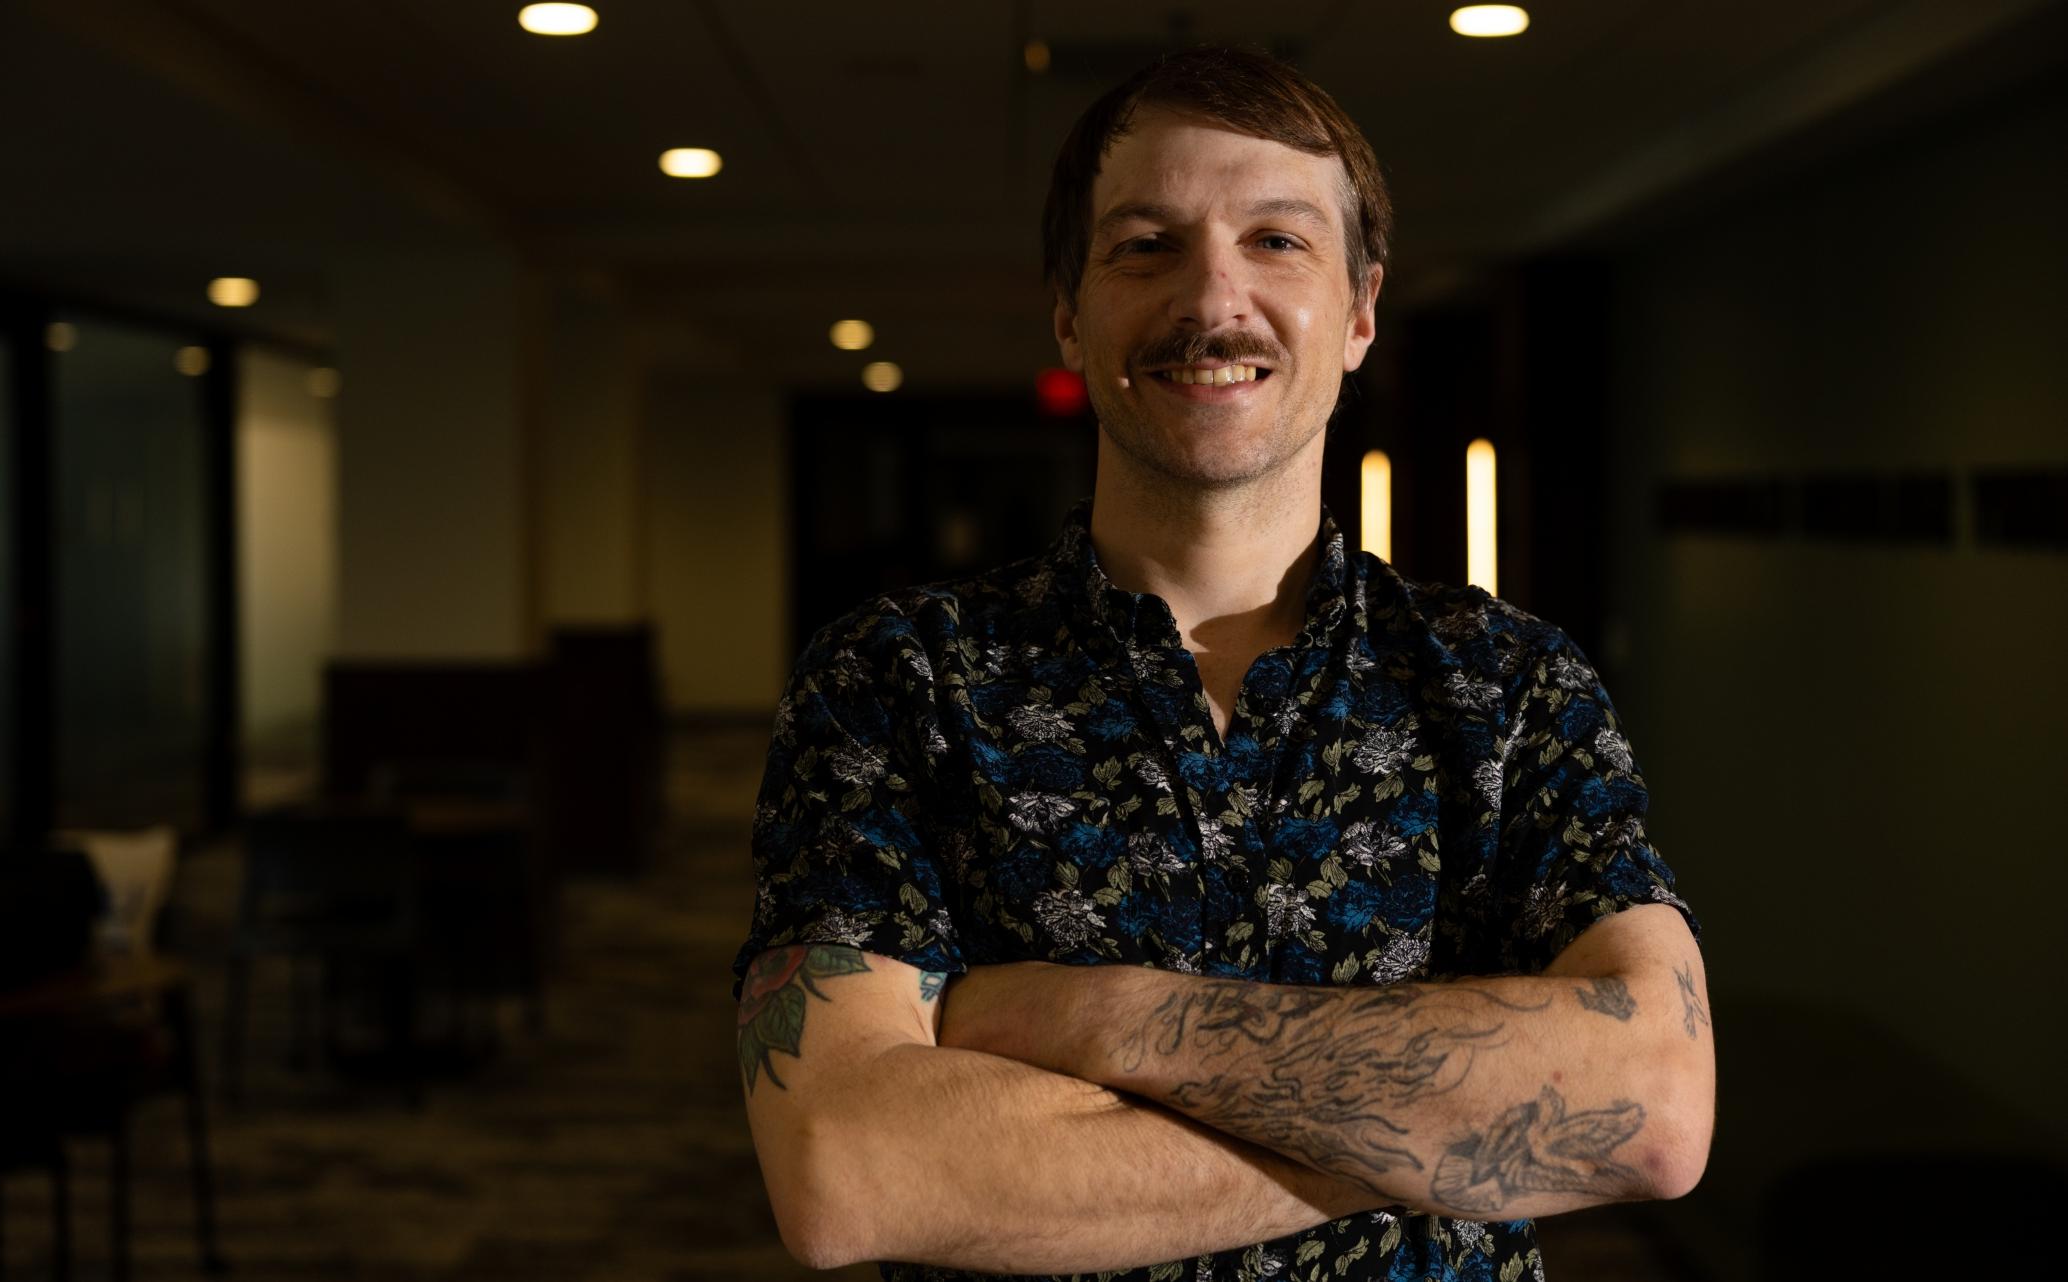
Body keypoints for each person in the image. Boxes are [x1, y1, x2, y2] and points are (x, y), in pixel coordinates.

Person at [731, 44, 1714, 1282]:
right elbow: (849, 1169)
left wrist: (1082, 1018)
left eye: (1276, 241)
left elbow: (1656, 1105)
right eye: (1145, 244)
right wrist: (1452, 1125)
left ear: (1358, 310)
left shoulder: (1508, 687)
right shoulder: (893, 681)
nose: (1212, 297)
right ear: (1067, 312)